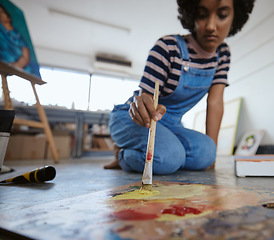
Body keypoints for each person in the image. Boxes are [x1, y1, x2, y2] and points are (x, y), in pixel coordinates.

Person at [105, 0, 254, 174]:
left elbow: (215, 102)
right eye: (202, 15)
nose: (211, 26)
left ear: (236, 16)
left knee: (207, 153)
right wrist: (145, 104)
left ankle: (161, 152)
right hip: (137, 119)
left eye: (222, 15)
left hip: (172, 125)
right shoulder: (167, 47)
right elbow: (146, 99)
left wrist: (211, 158)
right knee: (168, 158)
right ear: (192, 14)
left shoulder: (222, 55)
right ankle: (123, 155)